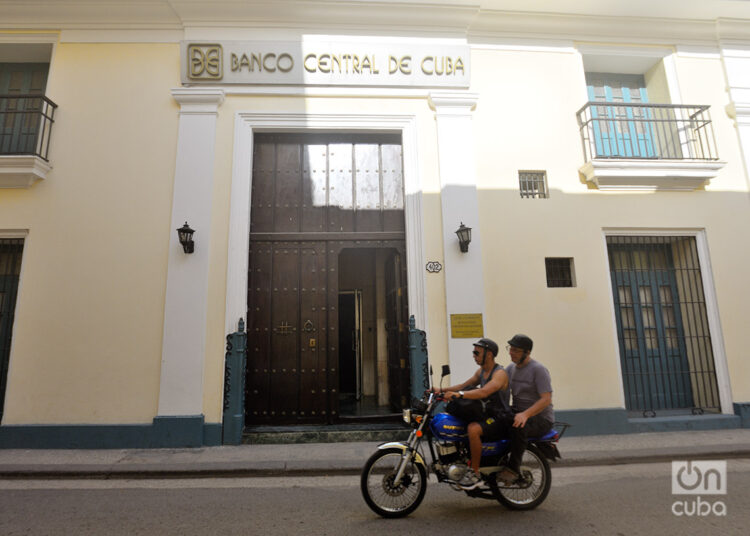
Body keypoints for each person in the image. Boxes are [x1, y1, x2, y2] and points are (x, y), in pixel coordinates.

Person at [433, 338, 510, 490]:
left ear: (489, 355)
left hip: (499, 417)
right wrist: (440, 390)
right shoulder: (482, 371)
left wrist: (459, 395)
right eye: (473, 352)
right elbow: (464, 385)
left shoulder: (499, 373)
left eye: (477, 353)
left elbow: (484, 391)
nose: (474, 356)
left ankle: (475, 474)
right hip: (486, 415)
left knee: (473, 429)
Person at [500, 334, 554, 485]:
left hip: (541, 418)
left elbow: (546, 399)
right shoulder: (511, 368)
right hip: (519, 412)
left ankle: (513, 468)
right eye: (510, 348)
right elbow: (499, 387)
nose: (511, 352)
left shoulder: (538, 370)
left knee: (518, 427)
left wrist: (525, 414)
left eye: (516, 350)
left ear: (527, 352)